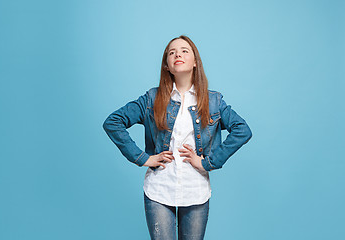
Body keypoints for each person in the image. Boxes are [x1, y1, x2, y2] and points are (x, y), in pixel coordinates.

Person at [102, 35, 252, 240]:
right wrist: (144, 158)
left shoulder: (213, 101)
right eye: (171, 52)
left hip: (196, 191)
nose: (177, 54)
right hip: (158, 191)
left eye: (184, 51)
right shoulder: (152, 99)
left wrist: (209, 163)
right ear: (167, 66)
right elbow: (113, 122)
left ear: (195, 62)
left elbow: (242, 130)